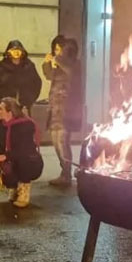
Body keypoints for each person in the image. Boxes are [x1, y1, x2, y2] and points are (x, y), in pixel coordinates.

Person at [43, 35, 83, 187]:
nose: (57, 52)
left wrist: (57, 61)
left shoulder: (74, 64)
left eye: (60, 49)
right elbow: (49, 76)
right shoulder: (58, 66)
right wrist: (47, 64)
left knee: (62, 142)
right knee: (55, 141)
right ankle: (63, 171)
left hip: (67, 110)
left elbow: (71, 74)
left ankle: (66, 174)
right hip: (55, 108)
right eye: (55, 50)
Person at [0, 97, 43, 208]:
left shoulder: (24, 126)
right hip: (14, 158)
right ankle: (14, 189)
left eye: (1, 109)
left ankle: (23, 193)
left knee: (23, 161)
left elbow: (24, 150)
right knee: (7, 167)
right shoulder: (2, 125)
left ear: (9, 112)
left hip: (30, 162)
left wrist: (4, 156)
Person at [0, 40, 42, 114]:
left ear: (22, 52)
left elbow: (36, 83)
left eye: (18, 50)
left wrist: (30, 99)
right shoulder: (0, 67)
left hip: (24, 105)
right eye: (13, 51)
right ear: (8, 52)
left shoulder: (29, 66)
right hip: (4, 106)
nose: (16, 53)